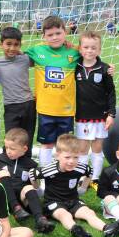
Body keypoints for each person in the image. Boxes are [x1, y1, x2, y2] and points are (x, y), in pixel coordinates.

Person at [36, 134, 119, 237]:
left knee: (89, 213)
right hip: (53, 202)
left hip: (73, 200)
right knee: (65, 215)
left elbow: (90, 172)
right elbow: (33, 174)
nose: (71, 161)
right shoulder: (49, 169)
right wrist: (38, 190)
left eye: (75, 157)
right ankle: (76, 229)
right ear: (57, 155)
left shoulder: (80, 168)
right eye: (67, 157)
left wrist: (83, 188)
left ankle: (107, 228)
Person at [25, 16, 79, 166]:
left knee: (64, 146)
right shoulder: (36, 51)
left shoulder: (74, 52)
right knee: (47, 144)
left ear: (65, 32)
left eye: (58, 33)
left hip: (66, 110)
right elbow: (15, 59)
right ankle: (45, 173)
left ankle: (62, 173)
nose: (54, 37)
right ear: (44, 37)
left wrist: (109, 68)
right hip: (45, 109)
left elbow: (92, 58)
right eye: (50, 35)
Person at [74, 31, 116, 185]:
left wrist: (111, 114)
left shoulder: (105, 69)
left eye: (93, 48)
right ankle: (81, 176)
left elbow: (111, 92)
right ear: (80, 49)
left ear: (99, 50)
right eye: (86, 47)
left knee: (97, 148)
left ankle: (96, 177)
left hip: (100, 116)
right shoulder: (75, 66)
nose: (89, 50)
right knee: (83, 148)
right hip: (82, 115)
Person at [0, 128, 54, 233]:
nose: (8, 151)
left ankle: (40, 220)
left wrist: (35, 180)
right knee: (2, 173)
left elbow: (37, 189)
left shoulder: (31, 165)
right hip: (3, 198)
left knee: (28, 187)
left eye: (12, 148)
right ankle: (15, 208)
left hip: (22, 202)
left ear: (24, 148)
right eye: (6, 147)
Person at [0, 26, 36, 158]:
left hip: (28, 104)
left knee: (27, 137)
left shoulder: (26, 59)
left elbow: (43, 58)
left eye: (16, 44)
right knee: (10, 138)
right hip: (11, 106)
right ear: (1, 44)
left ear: (20, 45)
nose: (12, 48)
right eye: (8, 44)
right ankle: (7, 167)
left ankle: (26, 168)